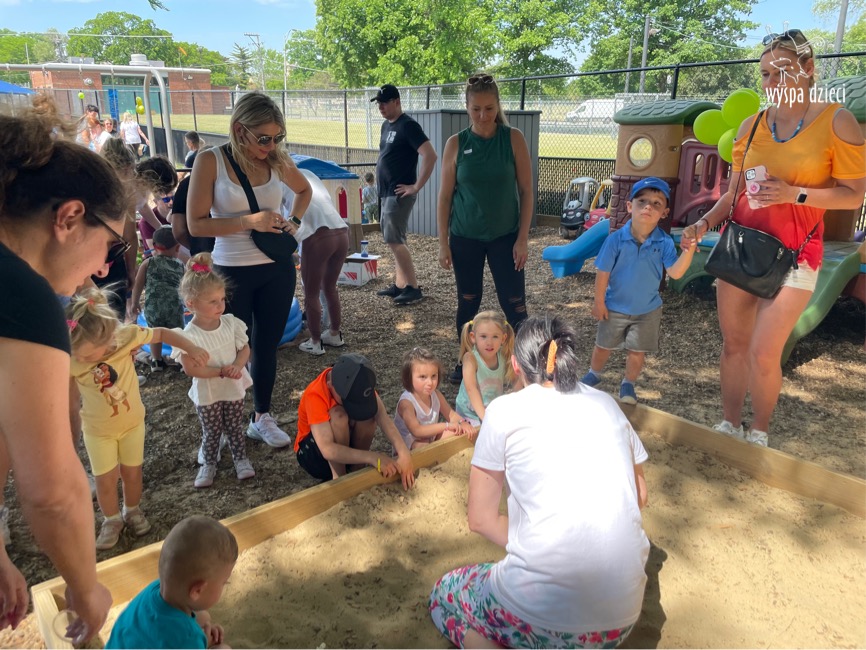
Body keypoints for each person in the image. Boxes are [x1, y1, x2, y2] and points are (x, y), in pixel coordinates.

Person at [680, 30, 865, 447]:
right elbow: (733, 194)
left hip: (798, 254)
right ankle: (730, 425)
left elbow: (854, 194)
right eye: (765, 74)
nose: (771, 82)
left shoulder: (837, 121)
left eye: (780, 72)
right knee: (734, 346)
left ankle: (759, 431)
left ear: (808, 69)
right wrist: (701, 226)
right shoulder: (751, 126)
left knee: (765, 352)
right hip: (742, 248)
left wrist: (794, 193)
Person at [429, 315, 649, 649]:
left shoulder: (504, 411)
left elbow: (480, 520)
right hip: (619, 621)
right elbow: (640, 496)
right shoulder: (607, 404)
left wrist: (537, 545)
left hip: (536, 614)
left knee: (442, 597)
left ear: (516, 364)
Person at [0, 95, 127, 640]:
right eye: (110, 247)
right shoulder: (23, 295)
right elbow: (51, 492)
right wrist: (84, 586)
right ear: (70, 218)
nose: (101, 269)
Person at [187, 91, 312, 449]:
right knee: (227, 351)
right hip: (231, 271)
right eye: (263, 138)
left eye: (277, 138)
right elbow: (196, 224)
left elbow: (303, 191)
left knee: (266, 345)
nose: (270, 146)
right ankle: (222, 424)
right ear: (240, 129)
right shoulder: (210, 160)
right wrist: (249, 221)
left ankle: (261, 416)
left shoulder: (276, 159)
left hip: (276, 268)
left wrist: (293, 222)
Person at [67, 288, 209, 550]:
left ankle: (132, 510)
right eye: (79, 355)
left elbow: (162, 333)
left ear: (108, 338)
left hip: (132, 424)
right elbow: (67, 395)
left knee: (132, 473)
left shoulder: (126, 336)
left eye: (88, 355)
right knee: (105, 480)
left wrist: (191, 347)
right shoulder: (72, 358)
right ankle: (111, 520)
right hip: (98, 432)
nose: (82, 359)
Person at [436, 73, 533, 384]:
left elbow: (526, 191)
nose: (483, 115)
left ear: (498, 106)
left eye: (489, 108)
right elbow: (445, 196)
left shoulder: (513, 138)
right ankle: (465, 362)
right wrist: (443, 242)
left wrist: (522, 238)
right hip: (465, 237)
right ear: (466, 107)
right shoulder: (456, 144)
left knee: (515, 304)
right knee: (468, 301)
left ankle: (526, 365)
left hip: (506, 237)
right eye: (476, 109)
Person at [581, 177, 696, 405]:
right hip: (614, 306)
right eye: (642, 201)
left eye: (656, 203)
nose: (648, 207)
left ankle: (628, 384)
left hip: (647, 310)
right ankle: (594, 374)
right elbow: (603, 272)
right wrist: (599, 302)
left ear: (664, 213)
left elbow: (675, 272)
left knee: (637, 350)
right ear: (629, 206)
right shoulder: (615, 240)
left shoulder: (664, 242)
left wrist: (689, 251)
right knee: (603, 345)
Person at [170, 253, 256, 488]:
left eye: (222, 299)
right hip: (208, 392)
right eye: (213, 301)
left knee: (235, 426)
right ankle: (208, 463)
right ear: (191, 303)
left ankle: (241, 459)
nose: (221, 305)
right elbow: (190, 368)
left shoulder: (230, 323)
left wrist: (237, 366)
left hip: (232, 387)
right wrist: (220, 372)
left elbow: (244, 348)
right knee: (211, 430)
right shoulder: (188, 337)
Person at [106, 515, 237, 649]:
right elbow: (186, 640)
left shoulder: (154, 588)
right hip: (177, 638)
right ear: (197, 591)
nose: (224, 585)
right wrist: (203, 642)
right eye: (224, 583)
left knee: (203, 617)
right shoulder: (187, 638)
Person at [294, 353, 415, 489]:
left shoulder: (358, 382)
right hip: (313, 455)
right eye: (349, 401)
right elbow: (327, 449)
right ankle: (340, 477)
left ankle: (357, 470)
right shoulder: (315, 394)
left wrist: (403, 452)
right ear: (330, 385)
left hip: (345, 446)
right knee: (338, 416)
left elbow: (382, 417)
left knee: (368, 414)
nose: (353, 403)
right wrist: (372, 457)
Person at [371, 84, 437, 306]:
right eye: (378, 103)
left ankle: (413, 288)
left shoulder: (408, 126)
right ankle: (400, 285)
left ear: (397, 102)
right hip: (386, 192)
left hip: (398, 193)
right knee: (395, 240)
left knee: (394, 240)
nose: (381, 107)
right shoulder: (386, 126)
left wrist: (416, 186)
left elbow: (430, 155)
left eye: (384, 102)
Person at [289, 170, 349, 356]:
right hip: (341, 231)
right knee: (330, 287)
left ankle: (315, 342)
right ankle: (335, 334)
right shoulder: (308, 173)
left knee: (311, 292)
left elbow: (287, 221)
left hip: (318, 235)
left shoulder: (280, 180)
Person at [394, 347, 474, 451]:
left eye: (433, 376)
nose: (430, 382)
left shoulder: (435, 394)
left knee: (458, 432)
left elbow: (451, 415)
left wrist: (462, 422)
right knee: (421, 447)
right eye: (423, 377)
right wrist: (446, 425)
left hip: (431, 437)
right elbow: (417, 431)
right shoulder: (407, 403)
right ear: (408, 377)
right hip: (411, 445)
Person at [129, 226, 186, 371]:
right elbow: (186, 287)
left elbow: (138, 284)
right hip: (174, 307)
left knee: (154, 333)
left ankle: (156, 361)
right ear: (178, 247)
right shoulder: (180, 265)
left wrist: (134, 302)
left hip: (153, 307)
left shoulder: (148, 263)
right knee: (177, 333)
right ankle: (180, 360)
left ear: (154, 246)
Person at [454, 310, 516, 427]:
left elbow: (516, 380)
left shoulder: (504, 356)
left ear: (503, 338)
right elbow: (471, 389)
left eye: (495, 337)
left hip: (491, 411)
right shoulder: (470, 358)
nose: (489, 342)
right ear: (473, 337)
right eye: (483, 336)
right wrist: (486, 419)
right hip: (469, 414)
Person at [136, 156, 179, 256]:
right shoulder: (134, 189)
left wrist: (162, 229)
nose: (171, 202)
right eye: (166, 198)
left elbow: (143, 206)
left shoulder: (139, 186)